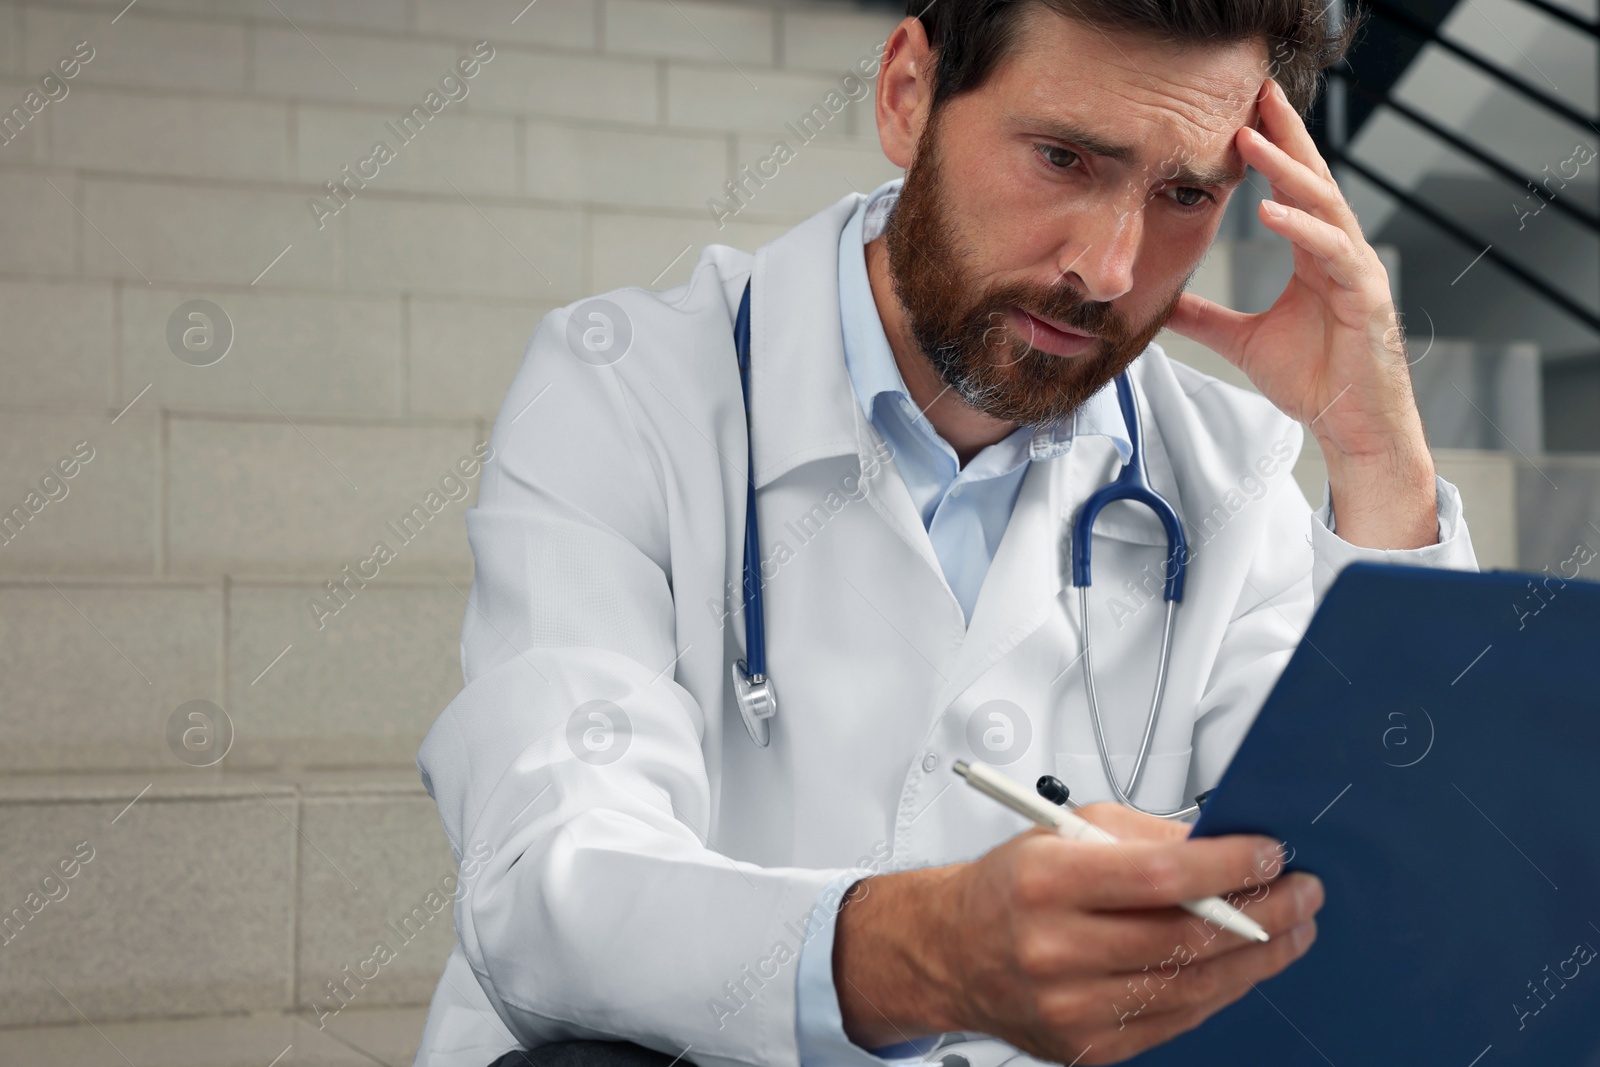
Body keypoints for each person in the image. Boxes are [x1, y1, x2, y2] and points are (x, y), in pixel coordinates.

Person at [411, 2, 1478, 1065]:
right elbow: (549, 882)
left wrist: (1377, 458)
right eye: (1062, 157)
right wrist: (925, 951)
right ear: (907, 95)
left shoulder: (1228, 468)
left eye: (1184, 194)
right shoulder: (625, 387)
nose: (1107, 267)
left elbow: (1398, 886)